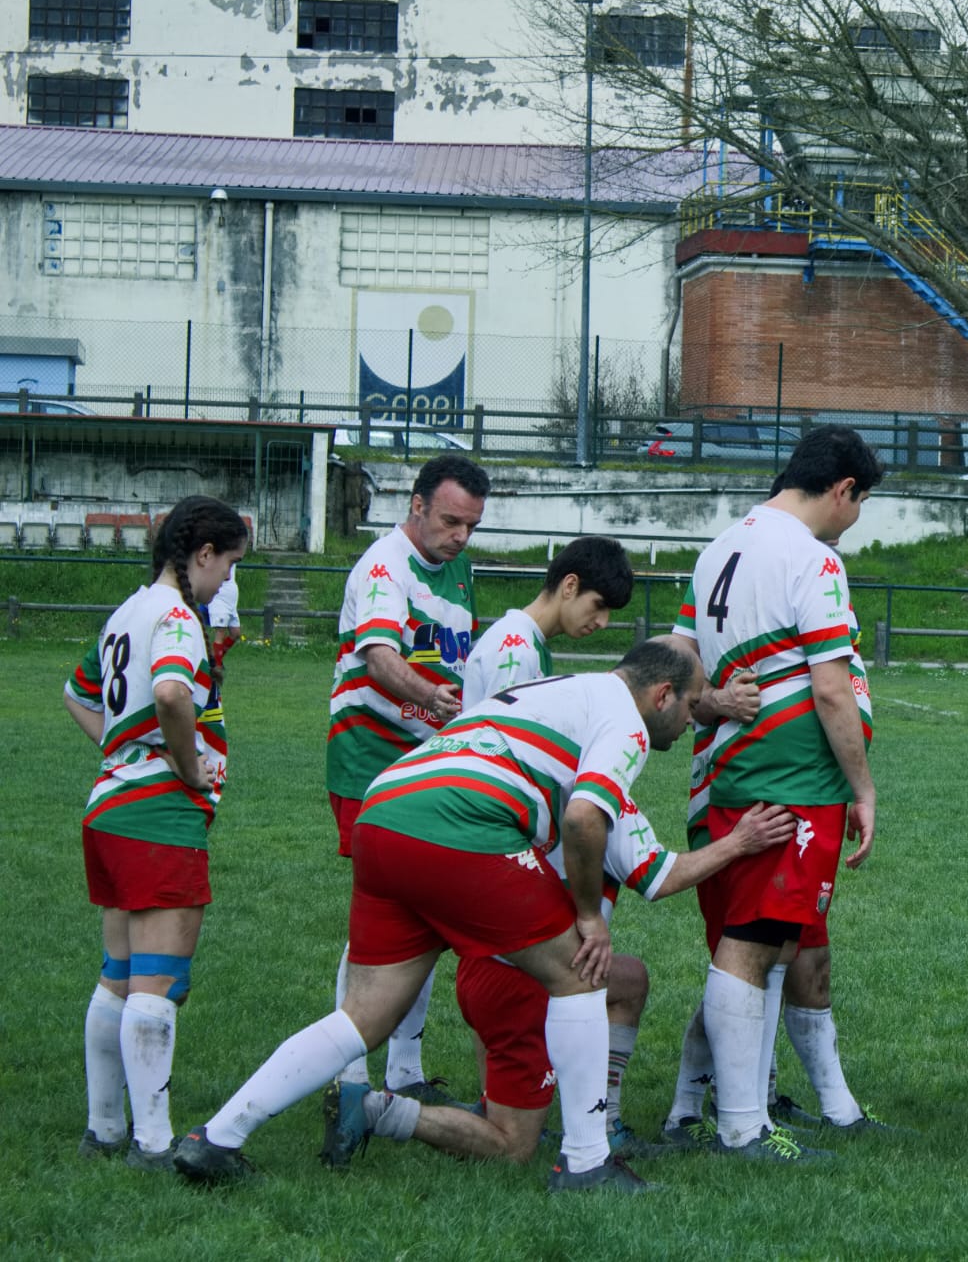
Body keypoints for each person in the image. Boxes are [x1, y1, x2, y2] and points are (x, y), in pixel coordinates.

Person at [171, 638, 703, 1194]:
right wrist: (590, 918)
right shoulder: (625, 716)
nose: (689, 722)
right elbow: (584, 817)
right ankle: (588, 1162)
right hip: (460, 816)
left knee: (363, 1016)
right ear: (661, 695)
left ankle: (217, 1137)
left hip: (385, 808)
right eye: (690, 706)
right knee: (580, 968)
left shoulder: (557, 688)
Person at [331, 795, 794, 1166]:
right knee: (511, 1147)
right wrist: (739, 843)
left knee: (628, 979)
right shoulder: (599, 806)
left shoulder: (534, 787)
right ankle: (379, 1110)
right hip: (525, 987)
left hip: (481, 967)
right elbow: (662, 877)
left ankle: (596, 1120)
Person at [670, 426, 884, 1164]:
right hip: (789, 781)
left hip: (723, 778)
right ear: (842, 489)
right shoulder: (812, 557)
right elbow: (830, 688)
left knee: (758, 944)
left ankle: (712, 1106)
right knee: (755, 946)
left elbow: (676, 672)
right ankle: (740, 1126)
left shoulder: (718, 547)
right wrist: (862, 785)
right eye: (860, 506)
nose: (853, 523)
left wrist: (711, 704)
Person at [66, 496, 248, 1169]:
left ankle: (103, 1129)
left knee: (117, 975)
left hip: (110, 810)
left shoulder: (128, 610)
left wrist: (121, 754)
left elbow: (78, 692)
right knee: (157, 980)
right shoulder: (176, 616)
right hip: (158, 817)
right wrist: (181, 763)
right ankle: (153, 1142)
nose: (226, 581)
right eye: (227, 565)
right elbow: (174, 693)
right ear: (203, 554)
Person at [325, 454, 488, 1114]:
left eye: (472, 525)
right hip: (370, 758)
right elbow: (381, 658)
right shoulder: (383, 566)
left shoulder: (458, 567)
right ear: (415, 504)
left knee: (421, 915)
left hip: (428, 762)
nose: (461, 535)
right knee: (378, 918)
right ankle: (347, 1070)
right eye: (451, 520)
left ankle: (405, 1066)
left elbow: (460, 654)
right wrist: (448, 704)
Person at [458, 537, 636, 705]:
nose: (603, 622)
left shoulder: (529, 642)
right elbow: (502, 733)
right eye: (599, 605)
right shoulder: (518, 649)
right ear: (570, 586)